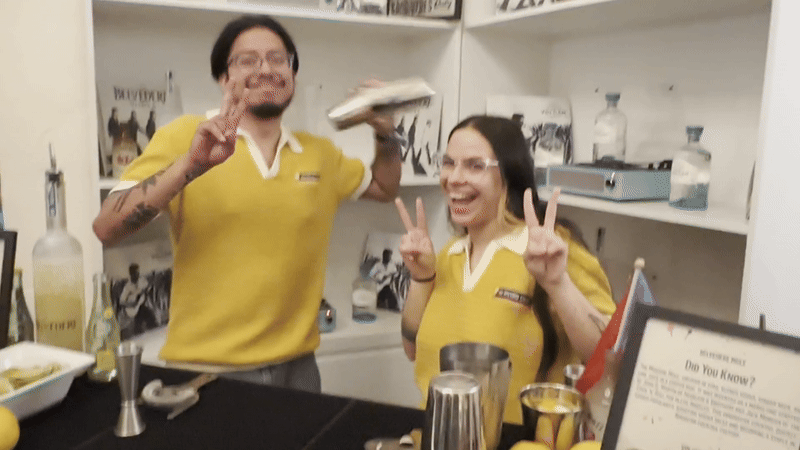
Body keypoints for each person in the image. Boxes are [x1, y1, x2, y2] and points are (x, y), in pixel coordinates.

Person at [92, 14, 402, 392]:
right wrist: (190, 166)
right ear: (224, 78)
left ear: (292, 73)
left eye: (278, 58)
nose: (266, 69)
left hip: (300, 370)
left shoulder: (320, 154)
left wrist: (387, 136)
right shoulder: (184, 138)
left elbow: (386, 189)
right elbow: (106, 227)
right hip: (207, 371)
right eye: (247, 60)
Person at [394, 115, 615, 424]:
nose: (454, 178)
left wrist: (558, 284)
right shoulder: (449, 254)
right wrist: (421, 277)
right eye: (448, 163)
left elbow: (609, 361)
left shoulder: (551, 250)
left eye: (474, 166)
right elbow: (413, 350)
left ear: (509, 175)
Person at [118, 263, 149, 338]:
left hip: (141, 306)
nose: (137, 274)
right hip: (133, 309)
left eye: (138, 272)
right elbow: (121, 302)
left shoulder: (142, 281)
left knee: (152, 319)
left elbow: (146, 288)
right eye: (135, 273)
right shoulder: (127, 287)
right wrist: (133, 304)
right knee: (138, 328)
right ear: (131, 274)